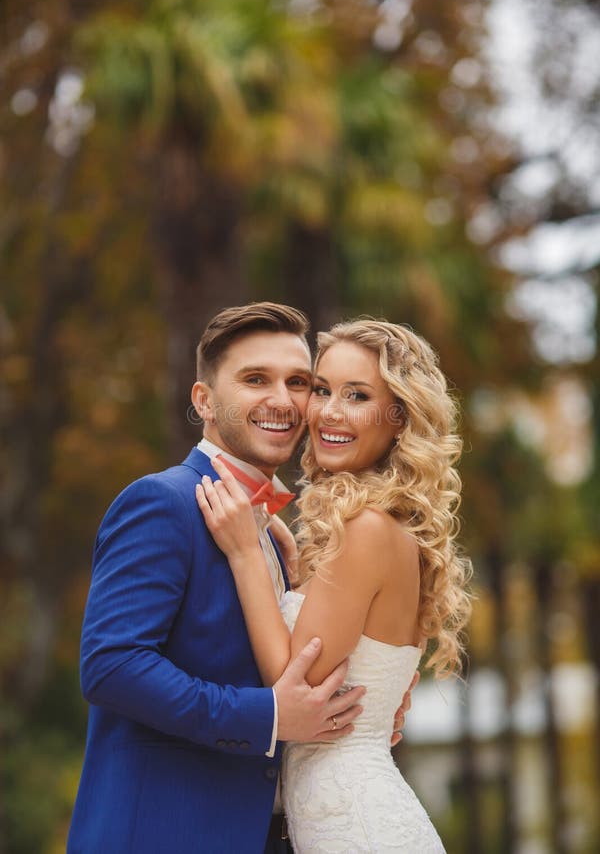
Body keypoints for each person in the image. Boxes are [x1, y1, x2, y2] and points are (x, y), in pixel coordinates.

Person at [67, 303, 411, 854]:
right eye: (255, 380)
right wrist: (269, 716)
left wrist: (376, 696)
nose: (282, 400)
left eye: (299, 382)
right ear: (204, 400)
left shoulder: (276, 535)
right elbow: (112, 665)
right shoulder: (164, 502)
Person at [197, 317, 472, 853]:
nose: (328, 412)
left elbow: (292, 684)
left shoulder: (368, 529)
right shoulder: (377, 527)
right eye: (321, 390)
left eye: (357, 395)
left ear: (399, 419)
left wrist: (246, 553)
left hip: (356, 827)